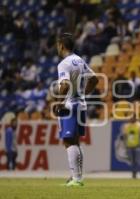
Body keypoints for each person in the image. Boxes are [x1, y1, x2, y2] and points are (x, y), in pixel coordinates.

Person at [53, 33, 98, 186]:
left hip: (70, 106)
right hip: (81, 105)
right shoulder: (80, 60)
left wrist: (59, 102)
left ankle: (77, 179)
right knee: (76, 142)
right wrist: (83, 93)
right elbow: (94, 79)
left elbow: (64, 84)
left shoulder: (64, 63)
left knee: (68, 141)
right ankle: (77, 177)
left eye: (57, 45)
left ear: (61, 46)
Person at [122, 115, 140, 179]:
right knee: (132, 162)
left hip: (137, 146)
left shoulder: (139, 125)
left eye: (132, 118)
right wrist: (125, 144)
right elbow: (125, 136)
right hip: (129, 146)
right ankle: (134, 175)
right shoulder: (126, 126)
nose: (131, 119)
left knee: (138, 160)